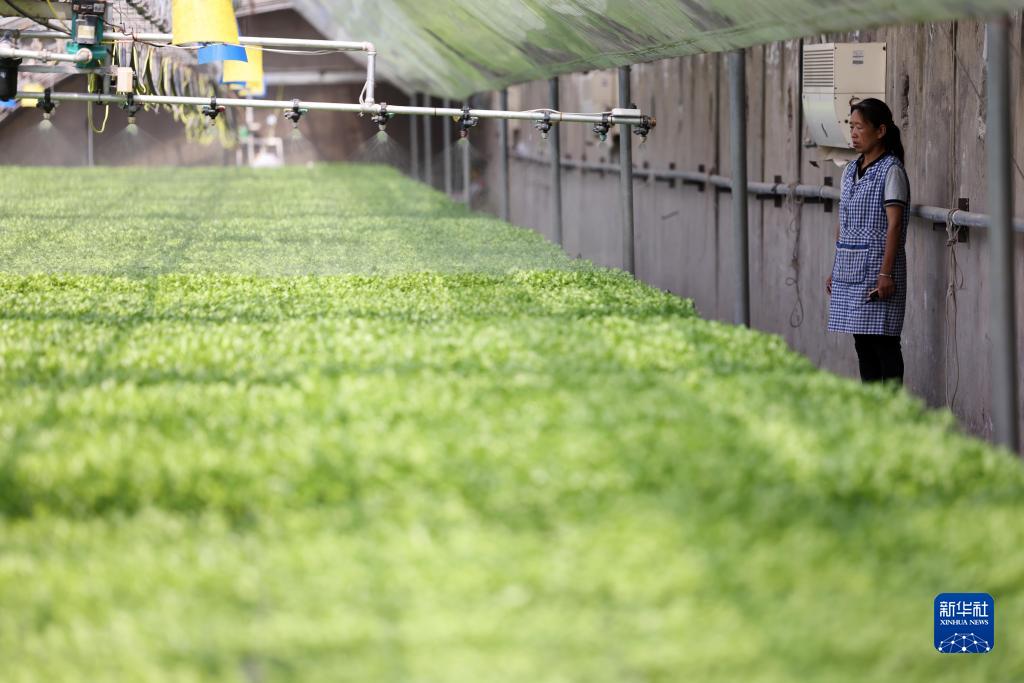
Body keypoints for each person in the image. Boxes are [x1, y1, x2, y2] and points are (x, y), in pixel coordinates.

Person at [825, 98, 910, 385]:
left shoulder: (891, 171)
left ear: (880, 131)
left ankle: (892, 406)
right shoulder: (850, 170)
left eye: (859, 127)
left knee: (883, 342)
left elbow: (895, 224)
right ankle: (871, 405)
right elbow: (844, 222)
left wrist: (886, 274)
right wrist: (836, 269)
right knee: (862, 342)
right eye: (851, 126)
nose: (853, 133)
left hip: (877, 269)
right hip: (849, 269)